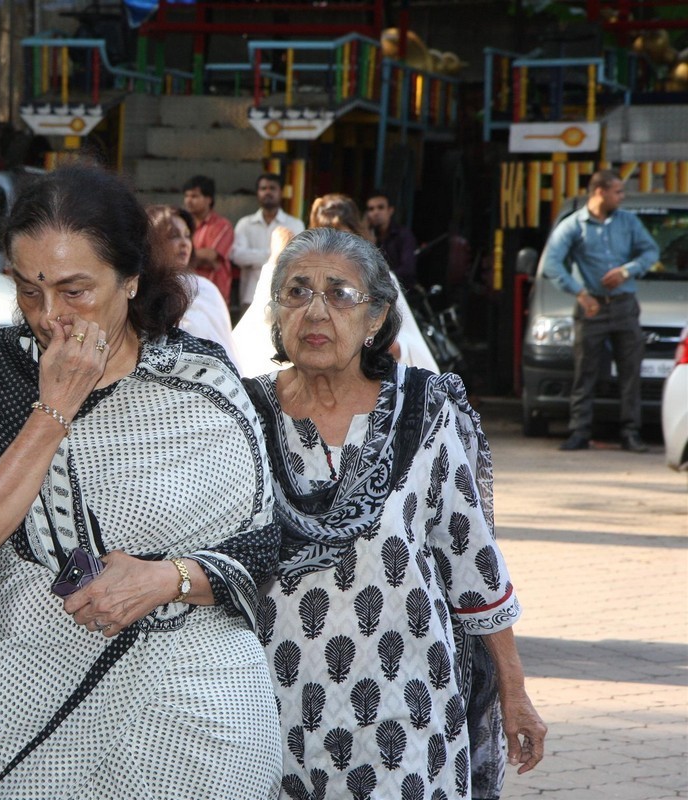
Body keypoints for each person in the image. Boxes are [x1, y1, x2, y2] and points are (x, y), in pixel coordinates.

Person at [0, 166, 282, 798]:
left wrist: (167, 578)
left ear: (131, 280)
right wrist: (52, 410)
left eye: (75, 291)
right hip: (10, 695)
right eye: (28, 291)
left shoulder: (200, 380)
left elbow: (261, 542)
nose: (50, 316)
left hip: (189, 709)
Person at [243, 227, 546, 799]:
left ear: (376, 317)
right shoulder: (241, 414)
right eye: (297, 291)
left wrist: (514, 688)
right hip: (268, 705)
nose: (315, 311)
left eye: (340, 294)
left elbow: (471, 556)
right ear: (275, 311)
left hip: (405, 702)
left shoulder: (425, 409)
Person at [231, 194, 440, 377]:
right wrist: (275, 260)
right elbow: (266, 314)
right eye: (326, 234)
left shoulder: (378, 280)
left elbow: (408, 346)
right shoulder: (296, 278)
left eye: (340, 294)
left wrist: (378, 345)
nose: (317, 313)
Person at [539, 169, 658, 453]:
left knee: (630, 371)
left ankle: (630, 432)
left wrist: (627, 271)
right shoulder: (573, 225)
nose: (622, 196)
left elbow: (650, 251)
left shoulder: (628, 222)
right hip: (591, 306)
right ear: (600, 192)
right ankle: (579, 431)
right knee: (585, 371)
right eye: (617, 191)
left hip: (624, 305)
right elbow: (552, 264)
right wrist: (579, 292)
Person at [146, 204, 239, 364]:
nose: (184, 243)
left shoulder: (205, 288)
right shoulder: (141, 292)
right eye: (174, 236)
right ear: (151, 242)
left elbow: (224, 345)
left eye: (187, 235)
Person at [231, 173, 305, 313]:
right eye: (263, 188)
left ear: (281, 192)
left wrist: (254, 258)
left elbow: (297, 259)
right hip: (249, 296)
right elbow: (238, 256)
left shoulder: (295, 224)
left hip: (285, 297)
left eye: (272, 188)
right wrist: (275, 255)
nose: (267, 192)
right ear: (257, 193)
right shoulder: (245, 224)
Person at [183, 174, 235, 306]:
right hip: (186, 294)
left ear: (209, 199)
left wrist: (182, 256)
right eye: (186, 196)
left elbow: (211, 257)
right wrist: (199, 256)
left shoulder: (222, 226)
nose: (188, 200)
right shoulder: (182, 224)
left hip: (214, 297)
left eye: (194, 196)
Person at [366, 188, 418, 290]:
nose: (375, 212)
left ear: (390, 210)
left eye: (380, 207)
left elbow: (408, 269)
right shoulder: (368, 235)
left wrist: (380, 278)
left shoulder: (403, 235)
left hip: (401, 291)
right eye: (371, 209)